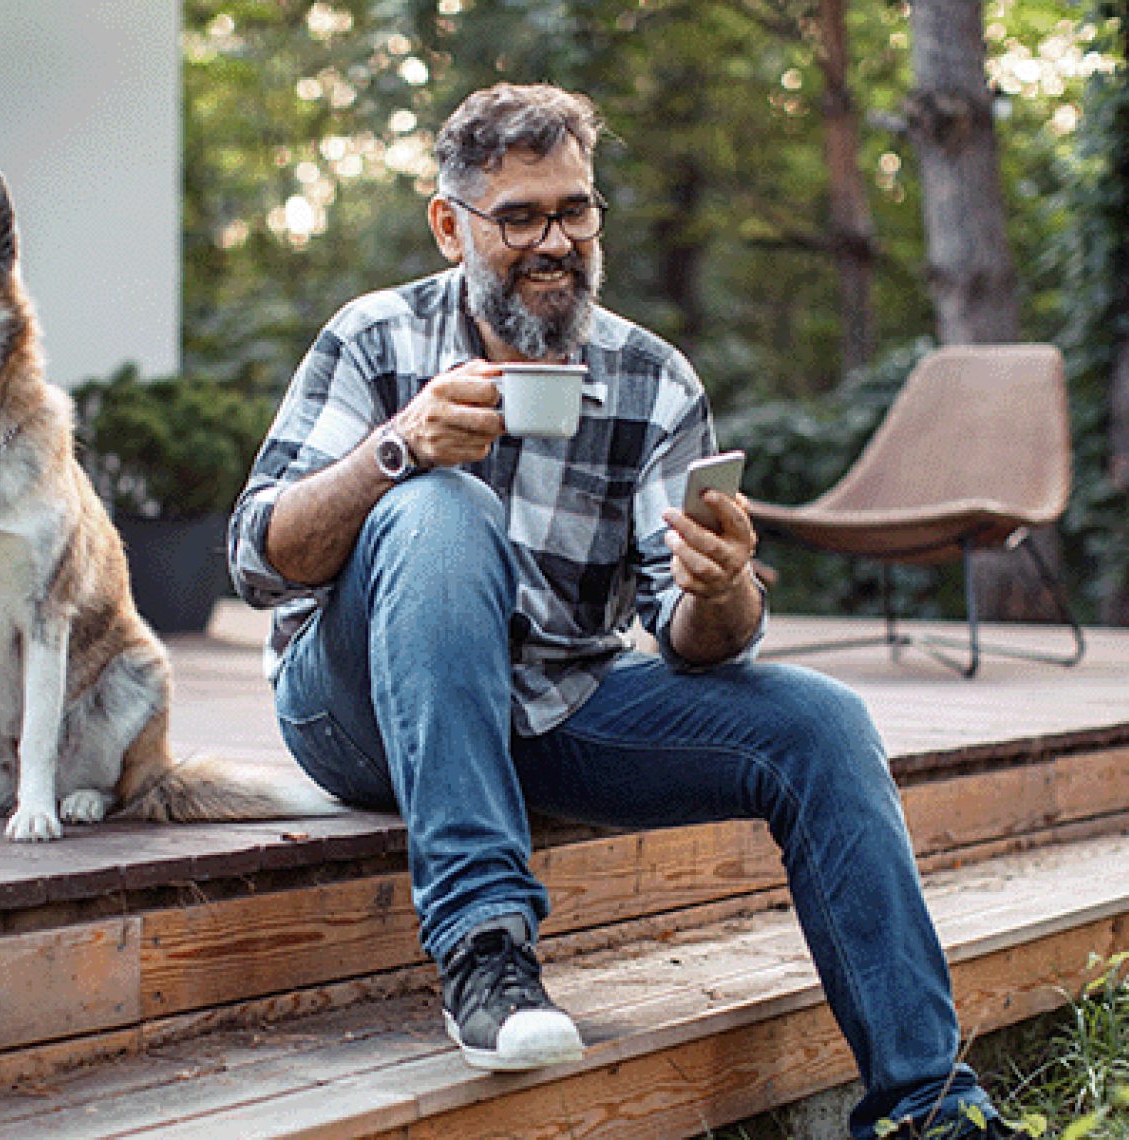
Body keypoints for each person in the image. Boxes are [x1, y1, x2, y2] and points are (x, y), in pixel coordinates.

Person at [228, 82, 1019, 1140]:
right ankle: (484, 950)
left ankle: (924, 1107)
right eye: (518, 217)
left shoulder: (650, 378)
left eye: (574, 210)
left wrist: (717, 586)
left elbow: (695, 643)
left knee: (820, 724)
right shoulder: (374, 339)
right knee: (439, 507)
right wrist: (395, 451)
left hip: (551, 709)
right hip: (354, 710)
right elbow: (255, 558)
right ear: (448, 222)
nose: (553, 242)